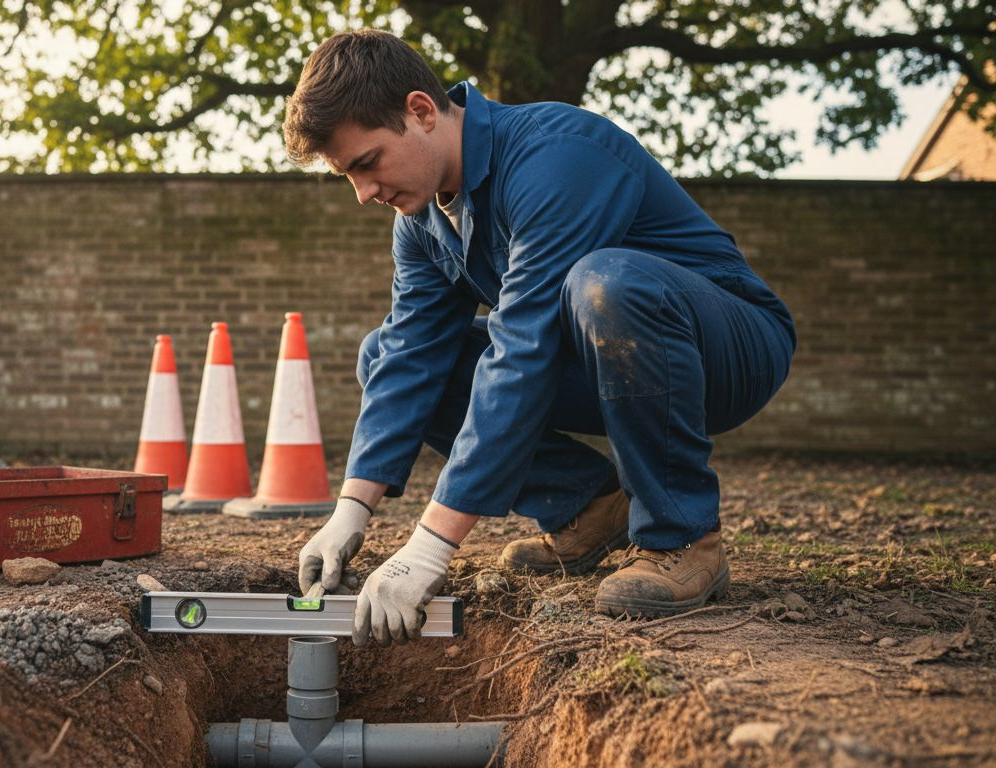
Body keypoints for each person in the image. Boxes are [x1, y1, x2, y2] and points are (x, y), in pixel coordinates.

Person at [284, 29, 795, 646]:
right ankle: (587, 507)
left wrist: (429, 547)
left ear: (420, 111)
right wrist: (351, 509)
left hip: (727, 348)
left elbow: (522, 349)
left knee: (604, 283)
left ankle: (682, 537)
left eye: (366, 163)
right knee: (382, 353)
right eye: (347, 176)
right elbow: (411, 356)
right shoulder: (421, 221)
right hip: (595, 358)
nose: (364, 193)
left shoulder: (557, 154)